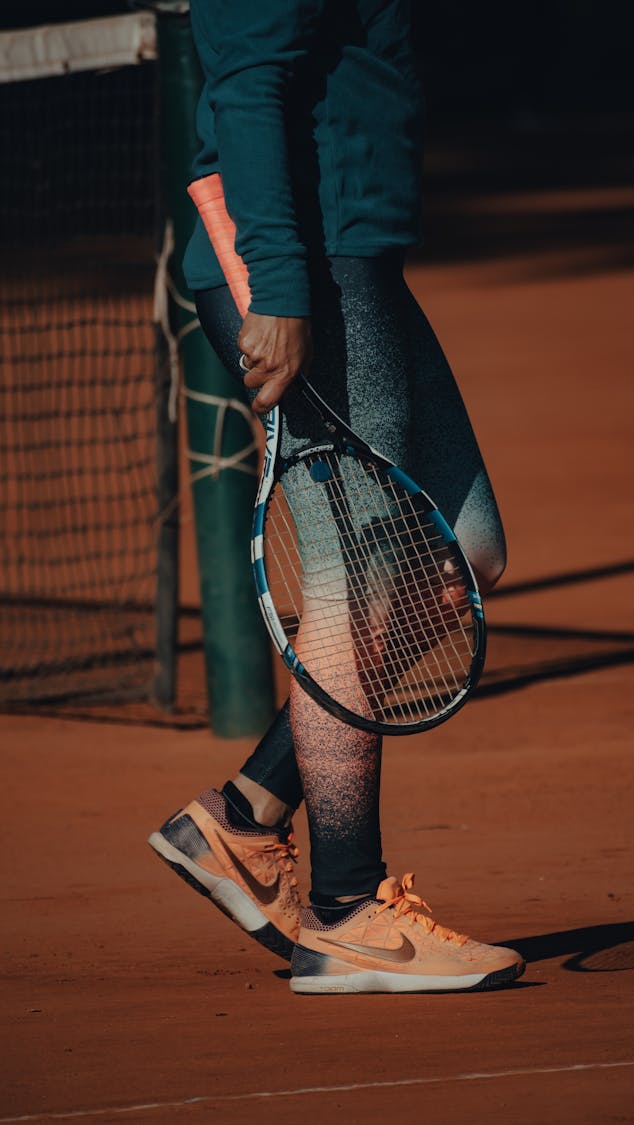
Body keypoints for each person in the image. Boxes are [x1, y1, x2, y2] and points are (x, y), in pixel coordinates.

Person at [149, 0, 524, 994]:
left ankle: (239, 823)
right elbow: (248, 86)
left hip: (357, 257)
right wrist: (278, 292)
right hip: (304, 271)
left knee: (460, 554)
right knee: (354, 576)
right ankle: (348, 910)